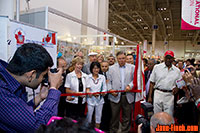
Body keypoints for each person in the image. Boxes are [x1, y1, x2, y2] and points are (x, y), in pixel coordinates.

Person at [0, 43, 63, 132]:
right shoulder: (2, 92)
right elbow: (40, 127)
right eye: (43, 75)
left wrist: (39, 97)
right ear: (31, 75)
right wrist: (54, 89)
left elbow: (19, 116)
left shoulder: (10, 80)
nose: (43, 79)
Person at [107, 51, 135, 133]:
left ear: (126, 58)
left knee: (127, 116)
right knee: (114, 116)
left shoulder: (132, 67)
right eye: (119, 59)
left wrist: (130, 86)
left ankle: (125, 131)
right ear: (117, 59)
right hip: (114, 96)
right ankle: (113, 130)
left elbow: (135, 80)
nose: (121, 60)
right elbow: (108, 81)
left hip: (128, 95)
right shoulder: (111, 68)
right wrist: (110, 90)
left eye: (123, 58)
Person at [148, 50, 182, 116]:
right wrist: (150, 97)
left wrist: (177, 88)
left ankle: (166, 127)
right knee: (157, 115)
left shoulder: (177, 70)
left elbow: (180, 83)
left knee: (168, 116)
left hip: (170, 95)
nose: (168, 60)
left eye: (170, 58)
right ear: (164, 58)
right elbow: (152, 82)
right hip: (158, 93)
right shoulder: (157, 67)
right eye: (167, 58)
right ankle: (157, 126)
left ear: (173, 59)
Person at [86, 62, 107, 129]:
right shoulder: (88, 77)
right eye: (94, 68)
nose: (96, 70)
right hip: (90, 100)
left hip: (100, 100)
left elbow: (104, 89)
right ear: (91, 69)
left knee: (98, 117)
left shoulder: (102, 77)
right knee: (89, 117)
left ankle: (97, 129)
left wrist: (102, 93)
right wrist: (91, 93)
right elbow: (87, 89)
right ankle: (88, 130)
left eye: (97, 68)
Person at [100, 61, 111, 131]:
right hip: (100, 97)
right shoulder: (98, 75)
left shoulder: (110, 74)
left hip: (109, 97)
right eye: (102, 66)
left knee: (108, 113)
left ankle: (107, 128)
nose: (104, 68)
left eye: (106, 66)